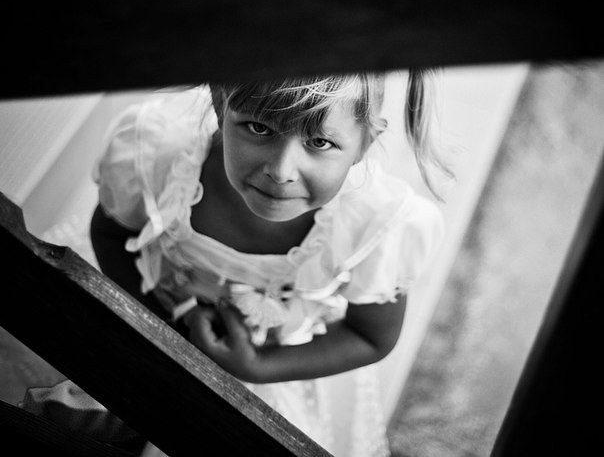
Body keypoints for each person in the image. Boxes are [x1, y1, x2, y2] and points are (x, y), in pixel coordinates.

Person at [89, 72, 447, 456]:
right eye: (259, 128)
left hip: (275, 369)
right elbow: (110, 234)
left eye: (320, 142)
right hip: (150, 335)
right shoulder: (160, 154)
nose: (281, 170)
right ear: (219, 102)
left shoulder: (376, 226)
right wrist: (164, 333)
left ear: (365, 144)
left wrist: (257, 365)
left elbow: (370, 337)